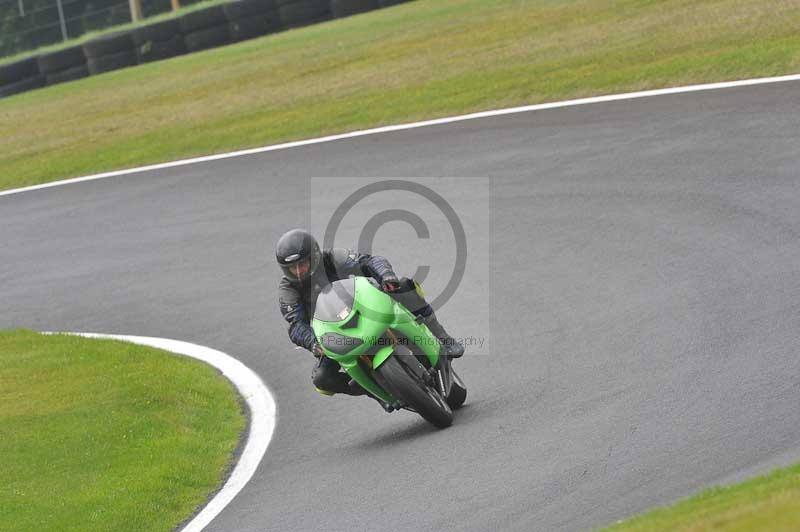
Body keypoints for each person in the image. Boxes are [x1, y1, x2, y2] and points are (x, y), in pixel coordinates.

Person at [276, 228, 463, 398]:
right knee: (321, 379)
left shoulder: (333, 259)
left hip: (365, 308)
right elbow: (296, 326)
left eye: (303, 263)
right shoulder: (288, 290)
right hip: (334, 333)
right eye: (293, 267)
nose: (299, 271)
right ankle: (372, 388)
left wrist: (386, 276)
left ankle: (442, 338)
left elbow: (369, 261)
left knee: (405, 286)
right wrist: (313, 343)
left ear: (314, 256)